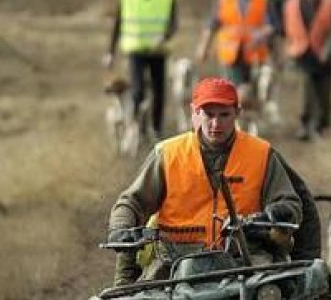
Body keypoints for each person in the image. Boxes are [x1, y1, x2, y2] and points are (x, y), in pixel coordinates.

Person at [107, 77, 304, 286]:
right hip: (175, 263)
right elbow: (132, 202)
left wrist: (280, 212)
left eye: (224, 115)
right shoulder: (168, 154)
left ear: (238, 113)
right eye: (209, 115)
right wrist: (121, 225)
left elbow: (291, 203)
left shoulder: (261, 154)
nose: (216, 124)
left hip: (246, 261)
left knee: (278, 290)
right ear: (194, 113)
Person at [104, 0, 177, 139]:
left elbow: (174, 22)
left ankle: (156, 129)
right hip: (135, 50)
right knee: (137, 91)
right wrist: (110, 51)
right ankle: (137, 129)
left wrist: (165, 35)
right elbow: (118, 22)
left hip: (158, 50)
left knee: (159, 91)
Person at [196, 0, 274, 108]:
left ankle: (250, 120)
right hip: (230, 54)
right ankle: (234, 122)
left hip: (254, 54)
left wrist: (262, 34)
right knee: (233, 92)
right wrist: (203, 47)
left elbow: (270, 25)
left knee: (254, 93)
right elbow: (211, 24)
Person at [282, 0, 331, 141]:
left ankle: (321, 125)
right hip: (300, 54)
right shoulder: (290, 4)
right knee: (307, 89)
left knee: (323, 92)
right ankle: (305, 125)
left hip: (324, 55)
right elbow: (284, 28)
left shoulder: (329, 3)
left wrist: (328, 50)